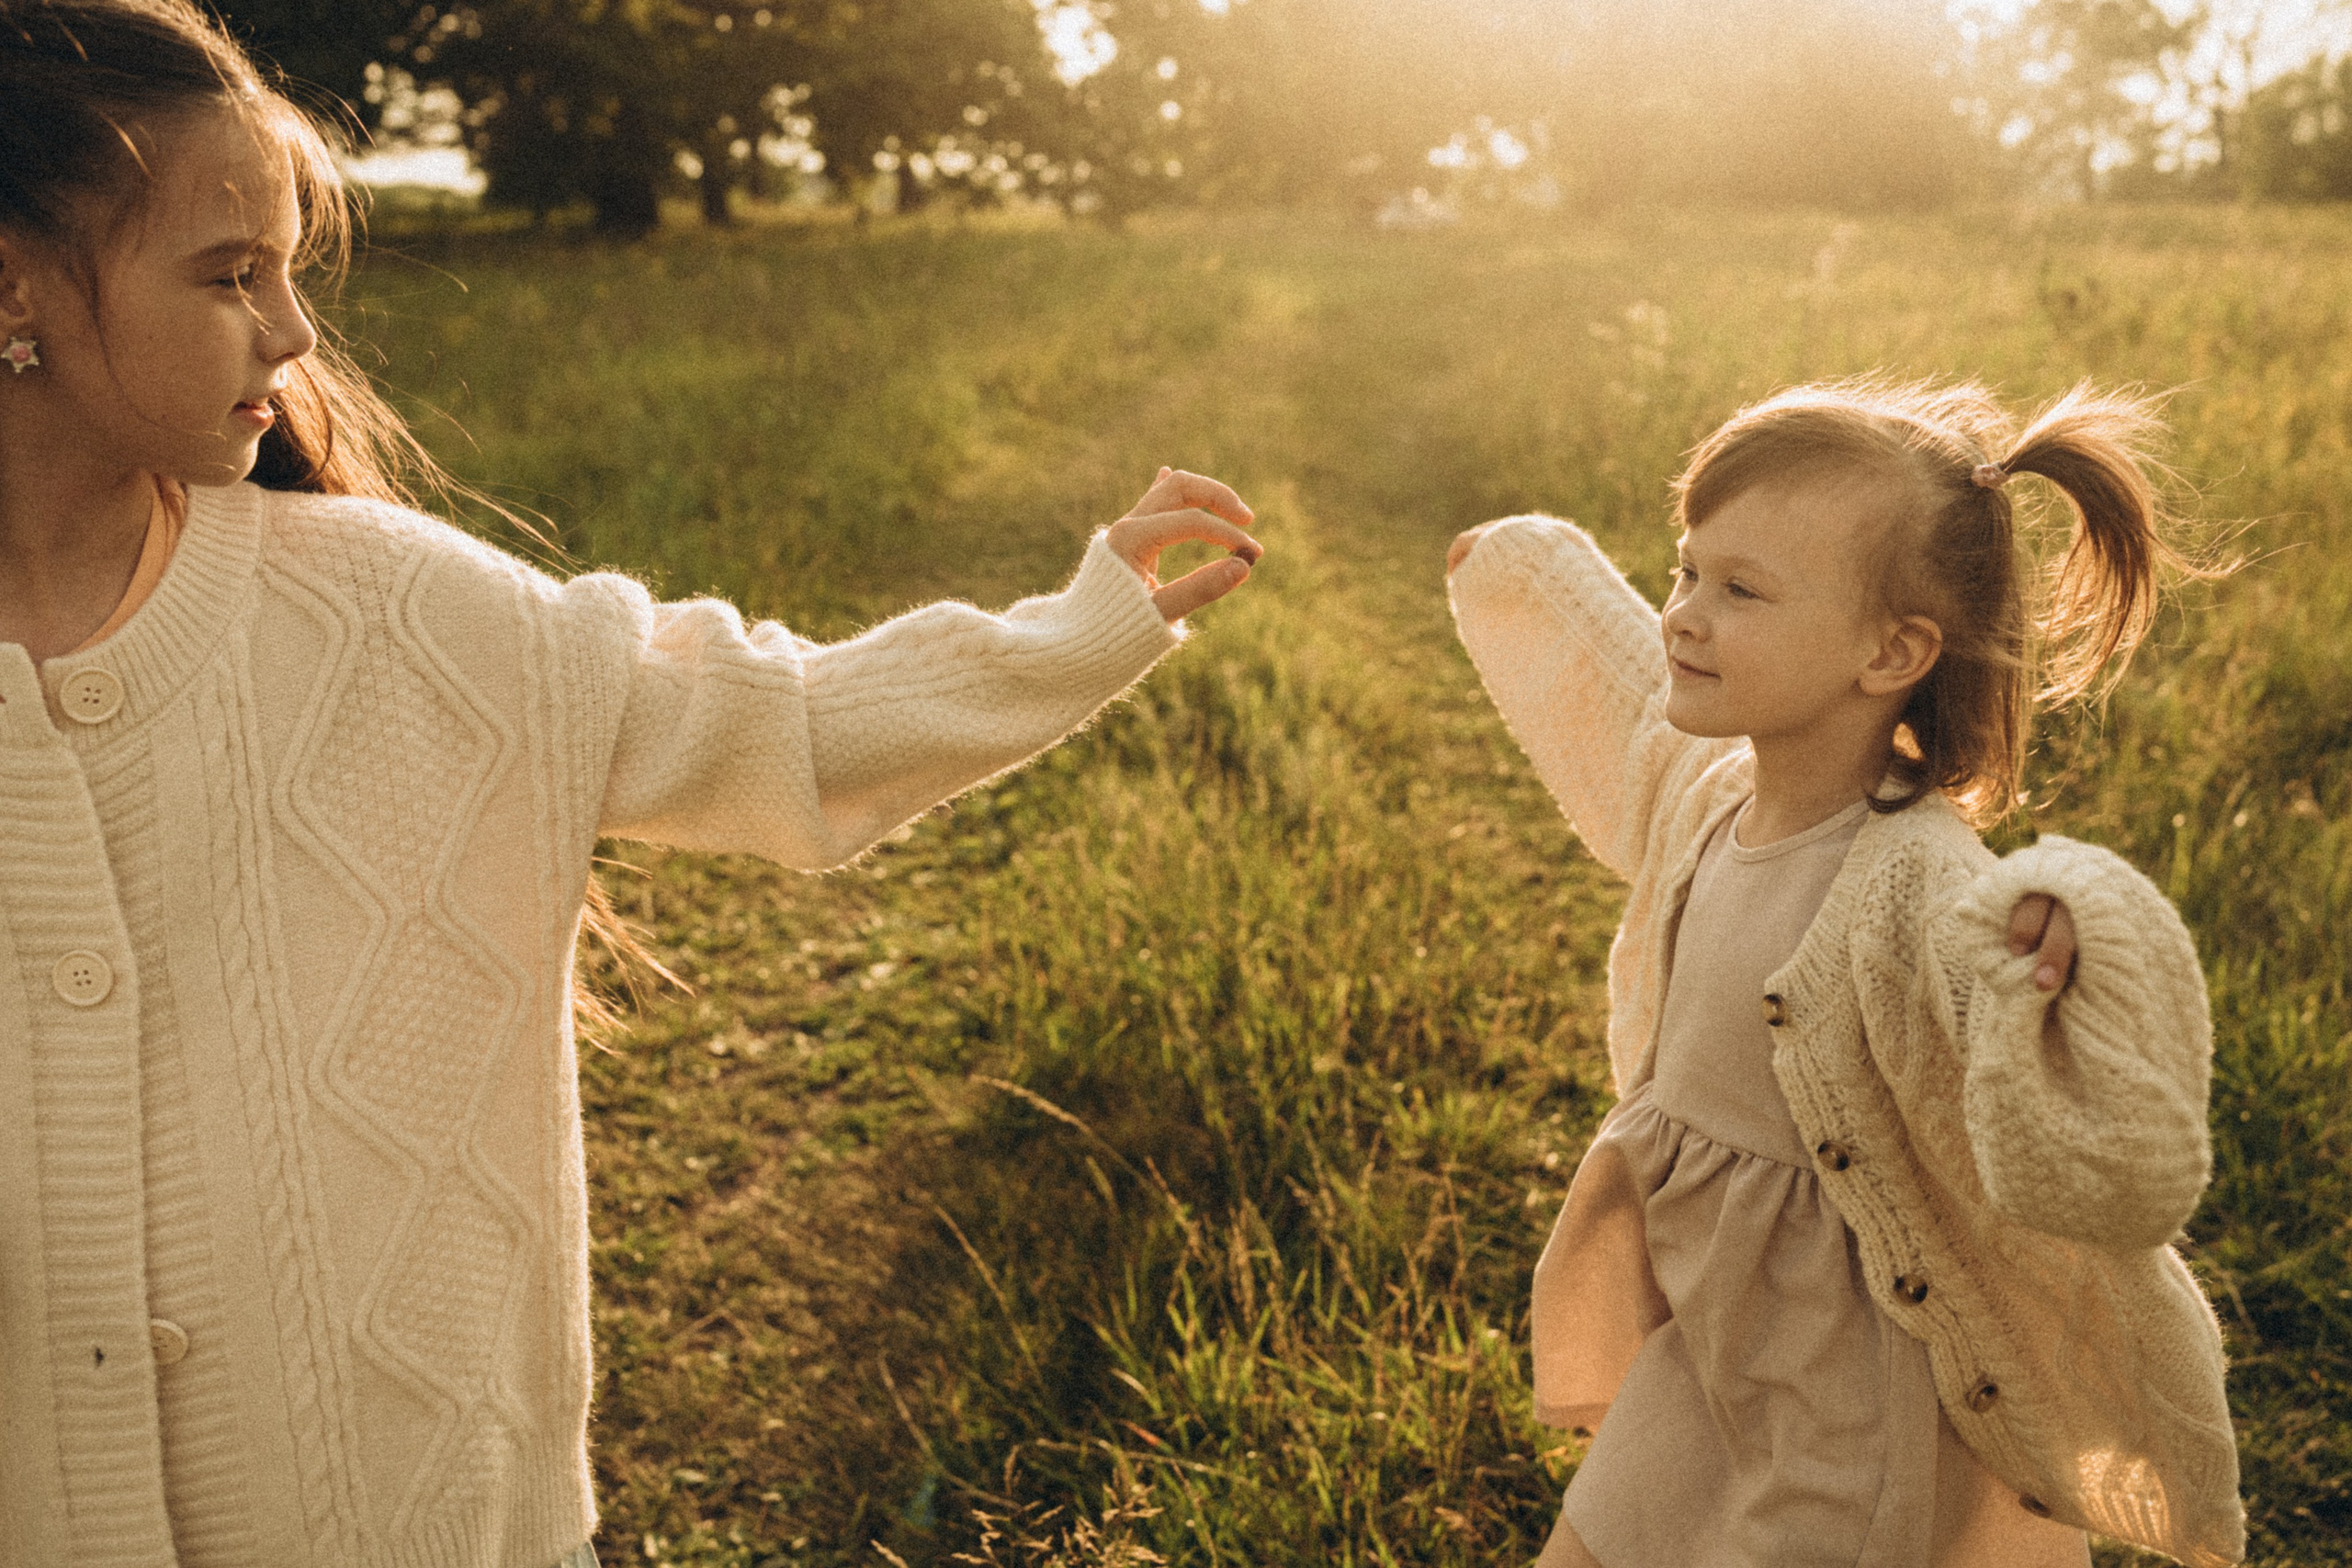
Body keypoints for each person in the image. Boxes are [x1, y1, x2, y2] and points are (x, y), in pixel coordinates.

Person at [0, 4, 1261, 1564]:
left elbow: (772, 721)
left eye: (286, 272)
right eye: (227, 275)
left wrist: (1076, 631)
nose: (293, 334)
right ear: (14, 284)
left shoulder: (396, 611)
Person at [1446, 377, 2243, 1568]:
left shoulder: (1916, 886)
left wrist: (2068, 952)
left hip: (1843, 1400)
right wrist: (1515, 564)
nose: (1684, 617)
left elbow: (2076, 1134)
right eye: (1686, 572)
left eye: (1741, 590)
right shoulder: (1713, 795)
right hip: (1709, 1347)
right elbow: (1621, 693)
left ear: (1893, 652)